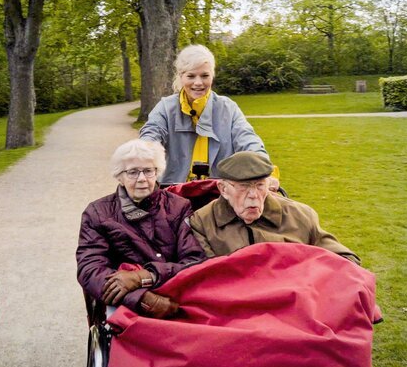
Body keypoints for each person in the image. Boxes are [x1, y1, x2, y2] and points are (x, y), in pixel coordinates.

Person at [76, 139, 206, 319]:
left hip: (175, 297)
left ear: (157, 172)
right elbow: (90, 269)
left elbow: (195, 260)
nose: (142, 179)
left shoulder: (179, 206)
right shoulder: (97, 213)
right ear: (119, 176)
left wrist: (145, 276)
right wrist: (140, 299)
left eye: (148, 171)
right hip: (126, 305)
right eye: (133, 172)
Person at [188, 151, 361, 264]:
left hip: (295, 302)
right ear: (223, 189)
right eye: (244, 186)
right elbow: (208, 276)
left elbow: (346, 261)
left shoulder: (299, 215)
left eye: (259, 185)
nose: (253, 195)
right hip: (237, 308)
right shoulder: (202, 221)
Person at [139, 44, 270, 185]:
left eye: (205, 76)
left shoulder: (227, 108)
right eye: (191, 76)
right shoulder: (166, 107)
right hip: (173, 191)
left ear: (212, 76)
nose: (198, 83)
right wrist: (145, 155)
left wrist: (264, 171)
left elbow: (248, 140)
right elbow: (151, 134)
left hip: (220, 192)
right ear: (181, 76)